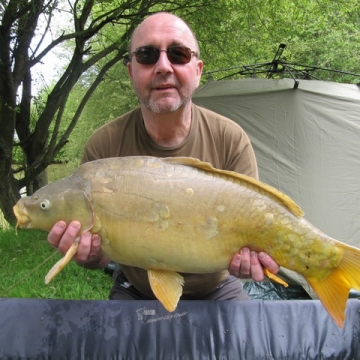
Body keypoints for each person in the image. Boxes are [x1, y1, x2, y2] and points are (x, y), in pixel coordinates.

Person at [48, 12, 279, 302]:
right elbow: (98, 258)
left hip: (218, 289)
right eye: (146, 55)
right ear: (131, 71)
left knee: (247, 346)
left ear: (197, 69)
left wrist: (250, 262)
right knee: (119, 348)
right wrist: (89, 255)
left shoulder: (230, 139)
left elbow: (253, 237)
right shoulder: (102, 148)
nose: (163, 66)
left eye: (178, 54)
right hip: (137, 289)